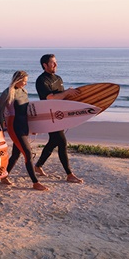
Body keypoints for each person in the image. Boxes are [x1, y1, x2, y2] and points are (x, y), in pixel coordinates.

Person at [34, 54, 83, 183]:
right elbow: (49, 98)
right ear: (45, 65)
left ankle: (38, 165)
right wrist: (67, 92)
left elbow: (62, 98)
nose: (55, 65)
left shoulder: (58, 78)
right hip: (49, 117)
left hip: (59, 115)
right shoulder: (41, 80)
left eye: (56, 62)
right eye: (52, 63)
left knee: (53, 141)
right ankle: (69, 174)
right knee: (61, 142)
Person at [0, 70, 48, 191]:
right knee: (28, 153)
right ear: (17, 80)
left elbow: (28, 112)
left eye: (26, 81)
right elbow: (0, 113)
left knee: (16, 154)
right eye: (24, 81)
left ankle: (4, 176)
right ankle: (35, 182)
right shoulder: (7, 93)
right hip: (14, 126)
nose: (25, 83)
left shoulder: (24, 92)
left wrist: (33, 128)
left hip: (24, 125)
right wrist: (0, 131)